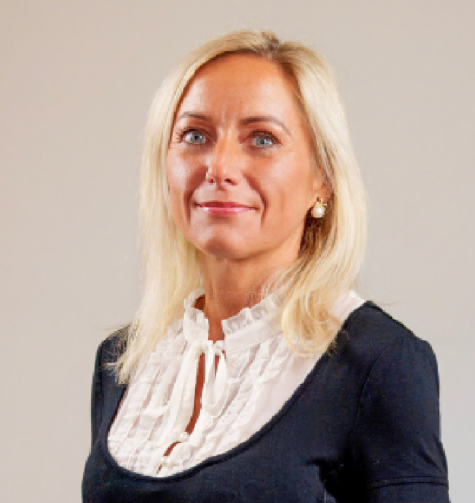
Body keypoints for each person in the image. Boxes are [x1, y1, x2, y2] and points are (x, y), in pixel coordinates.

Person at [82, 30, 449, 503]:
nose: (219, 167)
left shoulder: (379, 362)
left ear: (323, 179)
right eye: (195, 136)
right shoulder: (123, 360)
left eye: (262, 139)